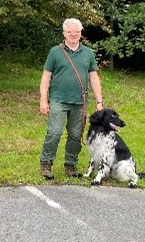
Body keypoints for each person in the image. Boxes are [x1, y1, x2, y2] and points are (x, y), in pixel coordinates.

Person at [39, 18, 103, 179]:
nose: (73, 35)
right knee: (54, 132)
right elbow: (46, 77)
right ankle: (46, 163)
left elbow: (94, 78)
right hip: (58, 99)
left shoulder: (88, 53)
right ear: (64, 34)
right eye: (70, 32)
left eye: (77, 32)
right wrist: (43, 100)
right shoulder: (55, 52)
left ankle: (70, 165)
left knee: (75, 134)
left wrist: (99, 102)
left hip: (80, 102)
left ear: (81, 33)